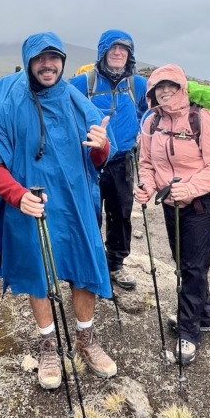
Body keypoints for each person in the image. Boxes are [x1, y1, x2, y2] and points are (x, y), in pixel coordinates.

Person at [0, 31, 119, 391]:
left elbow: (98, 154)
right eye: (40, 58)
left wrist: (101, 148)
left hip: (74, 200)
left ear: (62, 62)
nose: (48, 64)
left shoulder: (74, 99)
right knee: (39, 269)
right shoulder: (6, 97)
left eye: (54, 58)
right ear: (28, 62)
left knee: (84, 262)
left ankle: (86, 339)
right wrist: (15, 195)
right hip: (30, 200)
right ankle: (49, 345)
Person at [134, 64, 210, 366]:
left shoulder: (202, 119)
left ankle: (188, 334)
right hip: (170, 204)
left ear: (182, 88)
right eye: (158, 88)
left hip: (202, 206)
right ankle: (203, 317)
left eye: (170, 86)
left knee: (192, 267)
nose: (164, 92)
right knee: (186, 263)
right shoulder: (151, 122)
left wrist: (188, 189)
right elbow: (147, 163)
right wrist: (145, 187)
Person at [69, 30, 148, 291]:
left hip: (122, 159)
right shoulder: (84, 83)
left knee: (121, 213)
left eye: (123, 49)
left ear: (130, 55)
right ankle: (89, 263)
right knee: (90, 212)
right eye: (113, 49)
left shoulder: (138, 85)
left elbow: (151, 111)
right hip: (89, 160)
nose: (118, 53)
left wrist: (140, 131)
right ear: (102, 52)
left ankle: (115, 264)